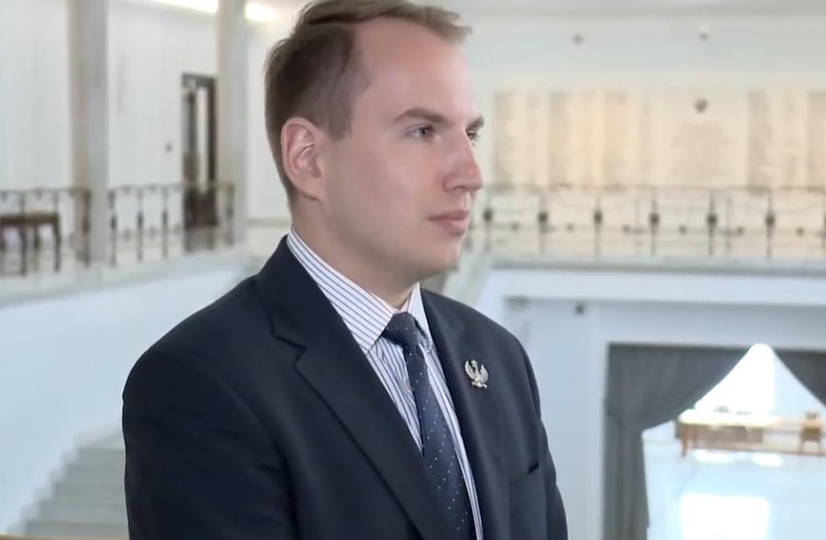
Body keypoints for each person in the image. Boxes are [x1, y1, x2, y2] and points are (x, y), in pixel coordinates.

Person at [120, 0, 567, 539]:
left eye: (469, 134)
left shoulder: (498, 357)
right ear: (308, 157)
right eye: (423, 131)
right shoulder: (201, 385)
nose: (470, 174)